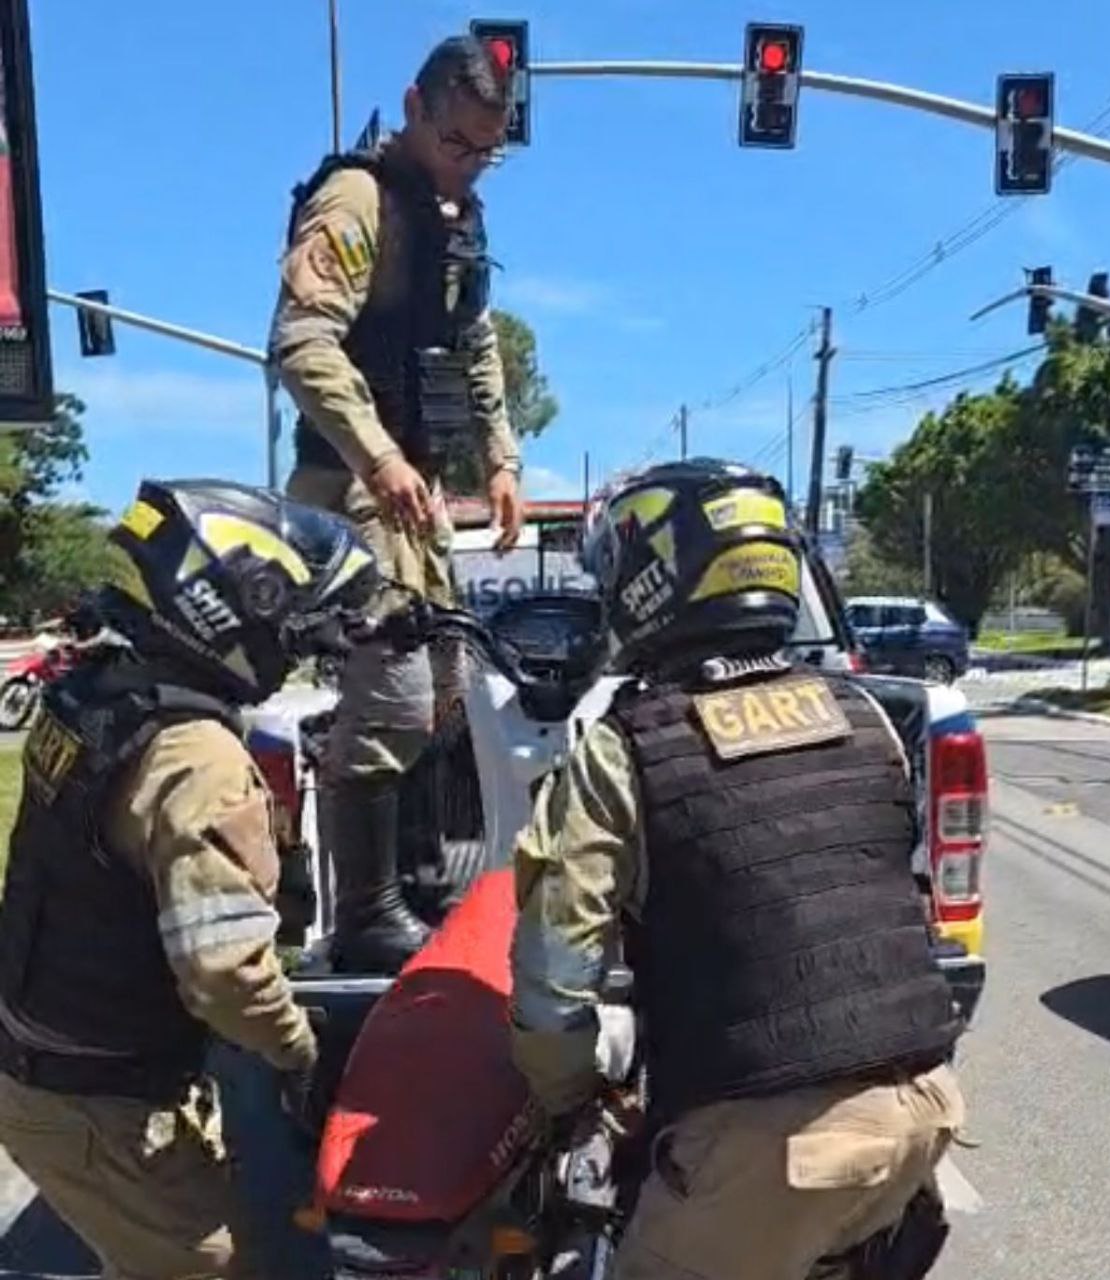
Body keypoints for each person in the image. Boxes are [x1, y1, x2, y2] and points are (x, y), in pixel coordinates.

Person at [508, 459, 967, 1280]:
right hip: (922, 1116)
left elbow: (552, 983)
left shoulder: (626, 746)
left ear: (646, 584)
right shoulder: (865, 719)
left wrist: (567, 1100)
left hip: (776, 1152)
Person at [0, 479, 381, 1280]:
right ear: (239, 606)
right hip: (100, 1100)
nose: (297, 648)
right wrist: (299, 1053)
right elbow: (225, 974)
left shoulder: (96, 696)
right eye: (292, 624)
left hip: (46, 1066)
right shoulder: (198, 758)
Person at [267, 34, 525, 975]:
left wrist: (499, 456)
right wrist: (375, 454)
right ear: (414, 107)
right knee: (396, 698)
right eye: (456, 142)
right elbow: (301, 340)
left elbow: (475, 340)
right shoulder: (356, 201)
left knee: (448, 689)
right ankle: (367, 915)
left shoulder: (452, 219)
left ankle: (418, 888)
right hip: (349, 490)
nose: (468, 163)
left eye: (486, 151)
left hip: (414, 492)